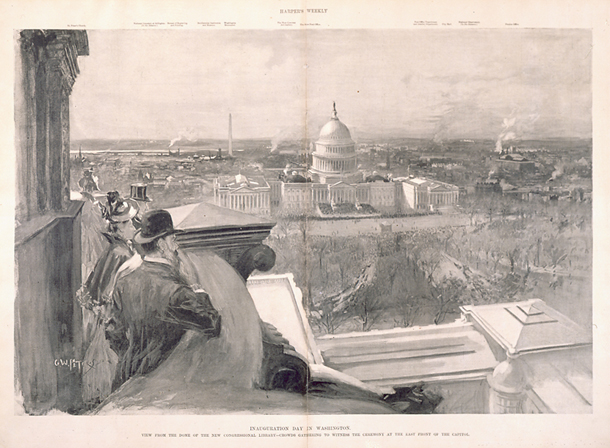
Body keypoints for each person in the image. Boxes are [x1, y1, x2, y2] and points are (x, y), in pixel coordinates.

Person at [104, 209, 221, 391]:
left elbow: (112, 332)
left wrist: (134, 354)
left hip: (125, 378)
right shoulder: (177, 292)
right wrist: (196, 287)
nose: (175, 246)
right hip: (162, 384)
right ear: (161, 244)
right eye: (172, 240)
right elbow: (213, 324)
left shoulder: (124, 282)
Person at [77, 191, 139, 406]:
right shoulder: (119, 252)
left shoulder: (118, 249)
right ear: (119, 227)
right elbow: (106, 292)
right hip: (113, 319)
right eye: (130, 223)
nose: (134, 227)